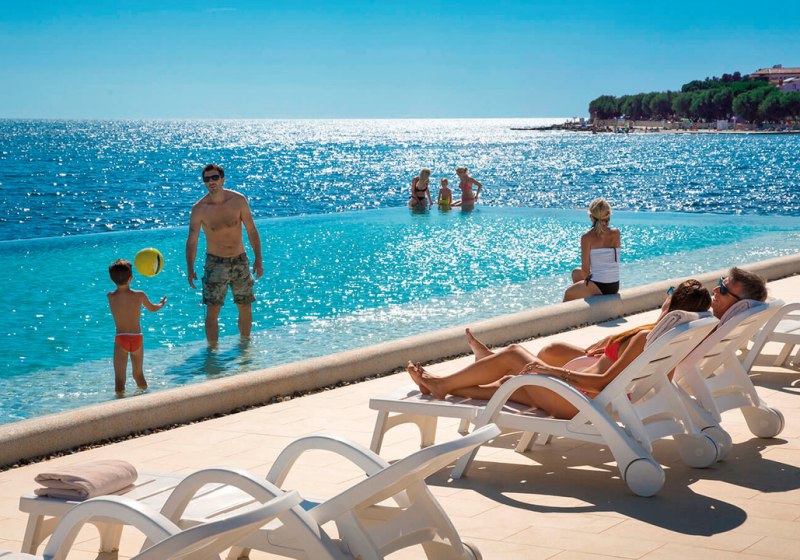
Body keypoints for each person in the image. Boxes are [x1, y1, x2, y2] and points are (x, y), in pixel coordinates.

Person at [407, 279, 711, 419]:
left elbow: (603, 382)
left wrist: (553, 372)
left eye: (670, 292)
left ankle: (445, 382)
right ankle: (448, 385)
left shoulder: (645, 338)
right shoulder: (669, 337)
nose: (665, 295)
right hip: (594, 400)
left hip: (581, 402)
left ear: (673, 302)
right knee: (509, 383)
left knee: (514, 353)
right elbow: (655, 379)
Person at [186, 164, 263, 346]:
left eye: (214, 177)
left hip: (240, 260)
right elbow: (192, 240)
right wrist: (190, 268)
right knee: (213, 310)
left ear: (223, 179)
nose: (211, 182)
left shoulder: (238, 200)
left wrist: (258, 259)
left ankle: (245, 346)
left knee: (245, 306)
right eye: (207, 179)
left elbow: (251, 230)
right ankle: (212, 352)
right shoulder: (199, 209)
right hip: (215, 263)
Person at [107, 259, 167, 394]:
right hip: (137, 338)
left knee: (119, 379)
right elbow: (153, 308)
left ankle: (120, 402)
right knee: (138, 374)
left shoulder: (110, 296)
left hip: (121, 338)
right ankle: (145, 398)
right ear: (131, 278)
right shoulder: (140, 295)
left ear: (111, 279)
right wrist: (161, 304)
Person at [563, 198, 621, 302]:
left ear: (591, 217)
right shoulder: (616, 233)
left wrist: (589, 282)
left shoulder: (587, 238)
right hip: (614, 285)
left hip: (600, 286)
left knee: (568, 294)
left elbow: (585, 270)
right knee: (576, 273)